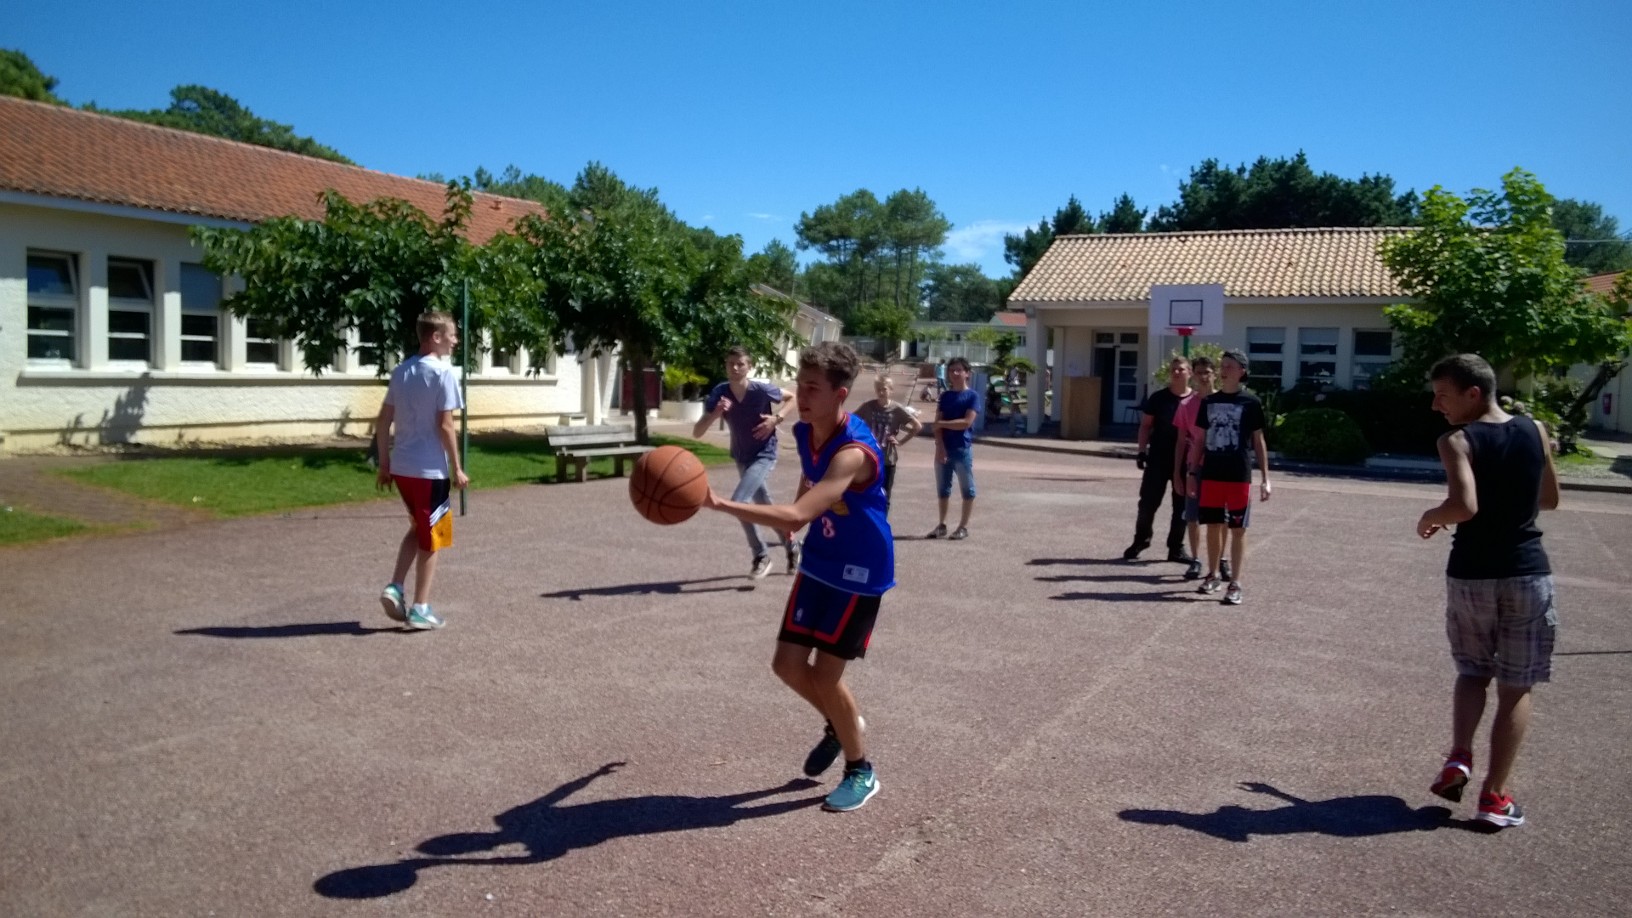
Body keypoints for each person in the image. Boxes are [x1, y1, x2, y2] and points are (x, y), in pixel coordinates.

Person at [703, 341, 893, 813]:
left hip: (859, 572)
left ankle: (861, 770)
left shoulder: (853, 453)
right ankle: (841, 723)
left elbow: (797, 513)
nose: (801, 397)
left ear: (840, 395)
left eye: (812, 388)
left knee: (827, 676)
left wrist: (721, 503)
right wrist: (795, 517)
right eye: (799, 385)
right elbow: (806, 488)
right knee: (786, 665)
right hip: (820, 560)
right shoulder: (807, 432)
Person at [1418, 354, 1561, 829]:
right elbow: (1549, 499)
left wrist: (1430, 517)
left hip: (1472, 574)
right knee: (1516, 686)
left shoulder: (1456, 440)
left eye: (1443, 395)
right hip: (1526, 572)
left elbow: (1464, 506)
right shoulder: (1535, 430)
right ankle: (1494, 798)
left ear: (1473, 393)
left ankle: (1460, 756)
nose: (1437, 405)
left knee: (1472, 672)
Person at [373, 311, 470, 631]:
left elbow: (383, 421)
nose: (456, 340)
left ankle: (395, 587)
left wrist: (384, 465)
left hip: (402, 467)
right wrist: (457, 467)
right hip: (430, 471)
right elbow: (445, 425)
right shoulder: (443, 373)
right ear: (435, 337)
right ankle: (420, 608)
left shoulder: (402, 371)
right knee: (433, 539)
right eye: (452, 334)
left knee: (418, 528)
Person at [693, 346, 798, 579]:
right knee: (764, 506)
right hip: (742, 456)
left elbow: (792, 397)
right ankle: (792, 547)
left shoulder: (760, 390)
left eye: (740, 363)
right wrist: (715, 413)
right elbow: (697, 432)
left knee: (739, 501)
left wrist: (776, 419)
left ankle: (761, 555)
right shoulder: (720, 392)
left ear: (749, 367)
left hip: (764, 454)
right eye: (731, 363)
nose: (735, 367)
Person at [1184, 350, 1270, 605]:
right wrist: (1192, 472)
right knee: (1212, 525)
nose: (1224, 370)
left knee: (1238, 529)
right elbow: (1199, 440)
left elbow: (1258, 441)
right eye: (1222, 366)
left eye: (1229, 366)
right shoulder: (1209, 402)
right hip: (1211, 473)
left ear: (1242, 371)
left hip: (1238, 474)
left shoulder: (1251, 402)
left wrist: (1266, 478)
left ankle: (1235, 583)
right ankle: (1212, 575)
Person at [1124, 356, 1194, 563]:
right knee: (1147, 503)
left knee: (1181, 507)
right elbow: (1146, 425)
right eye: (1174, 369)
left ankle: (1176, 548)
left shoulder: (1196, 400)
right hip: (1158, 458)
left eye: (1181, 369)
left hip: (1185, 461)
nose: (1176, 372)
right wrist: (1141, 451)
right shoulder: (1158, 398)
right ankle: (1141, 540)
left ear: (1190, 373)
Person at [1170, 355, 1219, 580]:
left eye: (1207, 372)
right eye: (1199, 372)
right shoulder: (1186, 405)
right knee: (1192, 515)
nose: (1203, 377)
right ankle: (1196, 559)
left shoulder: (1223, 401)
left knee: (1220, 518)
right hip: (1194, 466)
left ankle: (1221, 560)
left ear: (1214, 374)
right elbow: (1181, 441)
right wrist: (1177, 473)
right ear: (1194, 375)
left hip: (1219, 465)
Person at [853, 373, 923, 513]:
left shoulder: (896, 409)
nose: (881, 392)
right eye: (878, 389)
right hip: (869, 458)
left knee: (885, 494)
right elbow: (852, 422)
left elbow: (917, 426)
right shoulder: (868, 407)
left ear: (891, 390)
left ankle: (882, 521)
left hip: (887, 459)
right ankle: (868, 521)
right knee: (867, 492)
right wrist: (859, 439)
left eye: (884, 389)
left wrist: (901, 441)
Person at [926, 356, 979, 540]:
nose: (955, 373)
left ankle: (963, 526)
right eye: (951, 370)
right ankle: (942, 524)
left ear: (967, 373)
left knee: (967, 490)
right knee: (943, 489)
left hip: (962, 449)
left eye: (958, 370)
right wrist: (939, 445)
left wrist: (942, 424)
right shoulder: (945, 396)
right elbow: (936, 425)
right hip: (944, 448)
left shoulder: (972, 396)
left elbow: (966, 422)